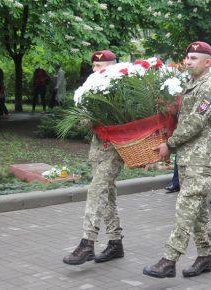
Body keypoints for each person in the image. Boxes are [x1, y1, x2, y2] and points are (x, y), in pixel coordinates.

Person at [143, 41, 211, 278]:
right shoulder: (191, 84)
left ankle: (169, 259)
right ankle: (205, 256)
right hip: (189, 157)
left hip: (202, 158)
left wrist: (169, 144)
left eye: (194, 58)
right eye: (187, 58)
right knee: (197, 210)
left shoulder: (209, 87)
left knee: (186, 207)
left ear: (208, 62)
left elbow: (195, 123)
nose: (188, 62)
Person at [63, 50, 125, 265]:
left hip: (115, 149)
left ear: (113, 66)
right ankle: (116, 243)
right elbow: (83, 123)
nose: (98, 70)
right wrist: (89, 116)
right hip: (97, 149)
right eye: (95, 67)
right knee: (107, 195)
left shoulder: (122, 88)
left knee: (96, 191)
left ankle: (87, 242)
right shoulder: (90, 88)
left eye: (103, 66)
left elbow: (129, 118)